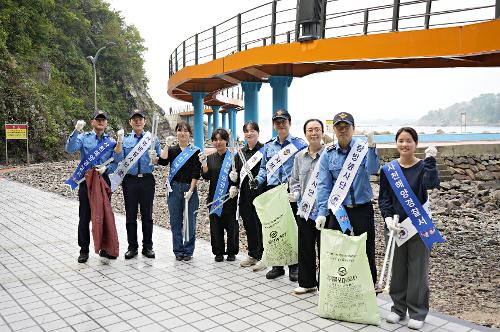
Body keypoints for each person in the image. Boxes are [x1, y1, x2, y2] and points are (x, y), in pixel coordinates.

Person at [378, 127, 440, 330]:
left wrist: (430, 161)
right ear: (396, 143)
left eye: (409, 141)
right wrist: (387, 218)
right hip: (395, 226)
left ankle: (417, 312)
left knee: (417, 270)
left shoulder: (422, 167)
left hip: (418, 227)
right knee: (397, 270)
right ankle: (398, 309)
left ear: (416, 144)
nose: (404, 145)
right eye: (401, 141)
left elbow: (432, 184)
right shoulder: (389, 170)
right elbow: (384, 198)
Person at [316, 112, 379, 284]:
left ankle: (368, 287)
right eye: (339, 127)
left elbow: (373, 170)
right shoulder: (328, 154)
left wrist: (372, 146)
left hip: (362, 208)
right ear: (334, 130)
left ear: (353, 128)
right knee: (336, 250)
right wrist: (322, 212)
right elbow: (323, 185)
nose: (343, 130)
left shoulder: (363, 149)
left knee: (366, 249)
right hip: (338, 210)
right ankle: (335, 287)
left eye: (346, 126)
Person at [250, 109, 307, 281]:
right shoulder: (269, 146)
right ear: (274, 125)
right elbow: (263, 170)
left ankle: (294, 266)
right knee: (274, 229)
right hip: (273, 193)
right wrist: (258, 181)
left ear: (290, 123)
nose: (280, 124)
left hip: (291, 193)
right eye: (277, 122)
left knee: (292, 229)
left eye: (284, 121)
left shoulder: (299, 144)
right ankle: (277, 266)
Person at [65, 110, 123, 263]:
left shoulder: (111, 141)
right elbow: (70, 149)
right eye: (98, 119)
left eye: (103, 120)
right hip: (86, 181)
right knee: (84, 217)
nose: (100, 122)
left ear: (106, 123)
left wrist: (108, 169)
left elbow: (117, 160)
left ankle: (104, 248)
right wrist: (76, 130)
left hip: (103, 180)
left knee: (103, 215)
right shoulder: (84, 138)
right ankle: (84, 250)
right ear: (92, 122)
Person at [289, 119, 325, 294]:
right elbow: (294, 180)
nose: (313, 133)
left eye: (317, 129)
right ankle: (307, 282)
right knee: (305, 246)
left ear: (322, 132)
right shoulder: (299, 157)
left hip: (324, 211)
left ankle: (325, 284)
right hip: (305, 210)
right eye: (310, 130)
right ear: (305, 134)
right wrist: (296, 193)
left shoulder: (329, 154)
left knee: (324, 248)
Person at [120, 109, 161, 259]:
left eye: (140, 119)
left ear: (144, 121)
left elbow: (159, 161)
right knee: (130, 215)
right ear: (130, 122)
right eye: (134, 119)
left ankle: (148, 247)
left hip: (147, 180)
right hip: (130, 181)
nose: (138, 121)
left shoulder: (152, 139)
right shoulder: (124, 140)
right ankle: (132, 247)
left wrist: (155, 158)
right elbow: (119, 159)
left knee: (147, 215)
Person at [158, 121, 201, 261]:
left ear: (189, 134)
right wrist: (166, 144)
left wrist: (191, 189)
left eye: (185, 130)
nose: (182, 133)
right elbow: (163, 161)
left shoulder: (195, 151)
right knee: (175, 221)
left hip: (190, 188)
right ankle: (178, 250)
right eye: (179, 130)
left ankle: (188, 251)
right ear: (176, 132)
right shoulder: (172, 150)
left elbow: (196, 172)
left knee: (190, 221)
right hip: (174, 188)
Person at [230, 121, 265, 270]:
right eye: (246, 131)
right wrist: (233, 181)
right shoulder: (240, 154)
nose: (249, 134)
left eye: (252, 131)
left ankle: (264, 256)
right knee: (249, 225)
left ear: (258, 132)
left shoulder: (265, 150)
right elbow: (237, 175)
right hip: (244, 196)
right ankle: (252, 254)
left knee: (262, 225)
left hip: (261, 195)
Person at [200, 128, 239, 262]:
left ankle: (232, 252)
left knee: (232, 226)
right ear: (212, 142)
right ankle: (218, 252)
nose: (218, 142)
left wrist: (236, 183)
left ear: (226, 140)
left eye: (221, 139)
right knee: (215, 227)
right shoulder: (210, 158)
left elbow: (239, 178)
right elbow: (206, 176)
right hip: (214, 199)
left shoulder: (234, 158)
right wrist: (204, 165)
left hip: (230, 198)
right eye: (215, 140)